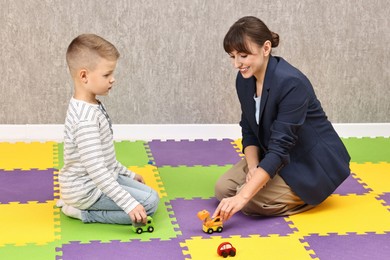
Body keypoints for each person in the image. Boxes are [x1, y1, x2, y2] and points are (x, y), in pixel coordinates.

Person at [213, 16, 350, 222]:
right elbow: (249, 129)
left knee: (249, 202)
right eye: (232, 57)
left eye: (243, 55)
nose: (236, 64)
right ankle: (264, 181)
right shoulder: (245, 79)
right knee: (223, 190)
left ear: (266, 48)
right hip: (274, 152)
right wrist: (253, 168)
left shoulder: (291, 83)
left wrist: (244, 195)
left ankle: (310, 196)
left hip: (308, 162)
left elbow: (280, 147)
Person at [57, 34, 159, 225]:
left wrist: (128, 174)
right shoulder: (85, 119)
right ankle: (81, 212)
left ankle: (82, 204)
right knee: (150, 204)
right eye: (106, 75)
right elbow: (97, 170)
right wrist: (129, 204)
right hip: (86, 191)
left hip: (99, 180)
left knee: (151, 194)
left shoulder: (91, 104)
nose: (113, 80)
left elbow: (104, 158)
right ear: (84, 76)